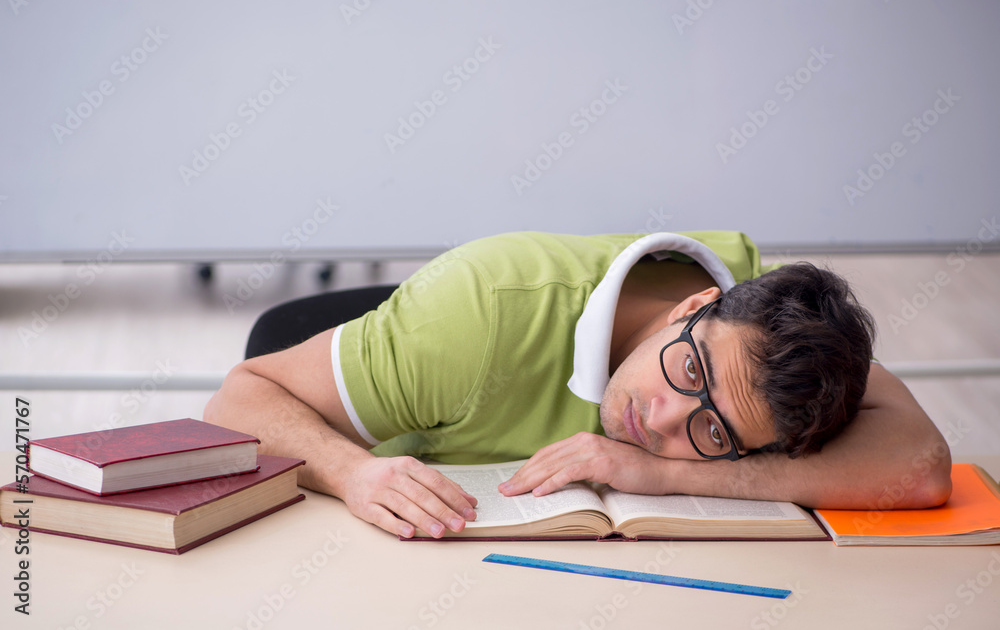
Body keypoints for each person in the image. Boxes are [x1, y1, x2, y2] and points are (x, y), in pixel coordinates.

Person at [203, 230, 952, 539]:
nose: (661, 421)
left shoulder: (771, 337)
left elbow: (918, 469)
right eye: (689, 371)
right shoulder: (478, 317)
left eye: (714, 433)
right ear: (693, 307)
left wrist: (655, 473)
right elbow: (237, 398)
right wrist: (355, 470)